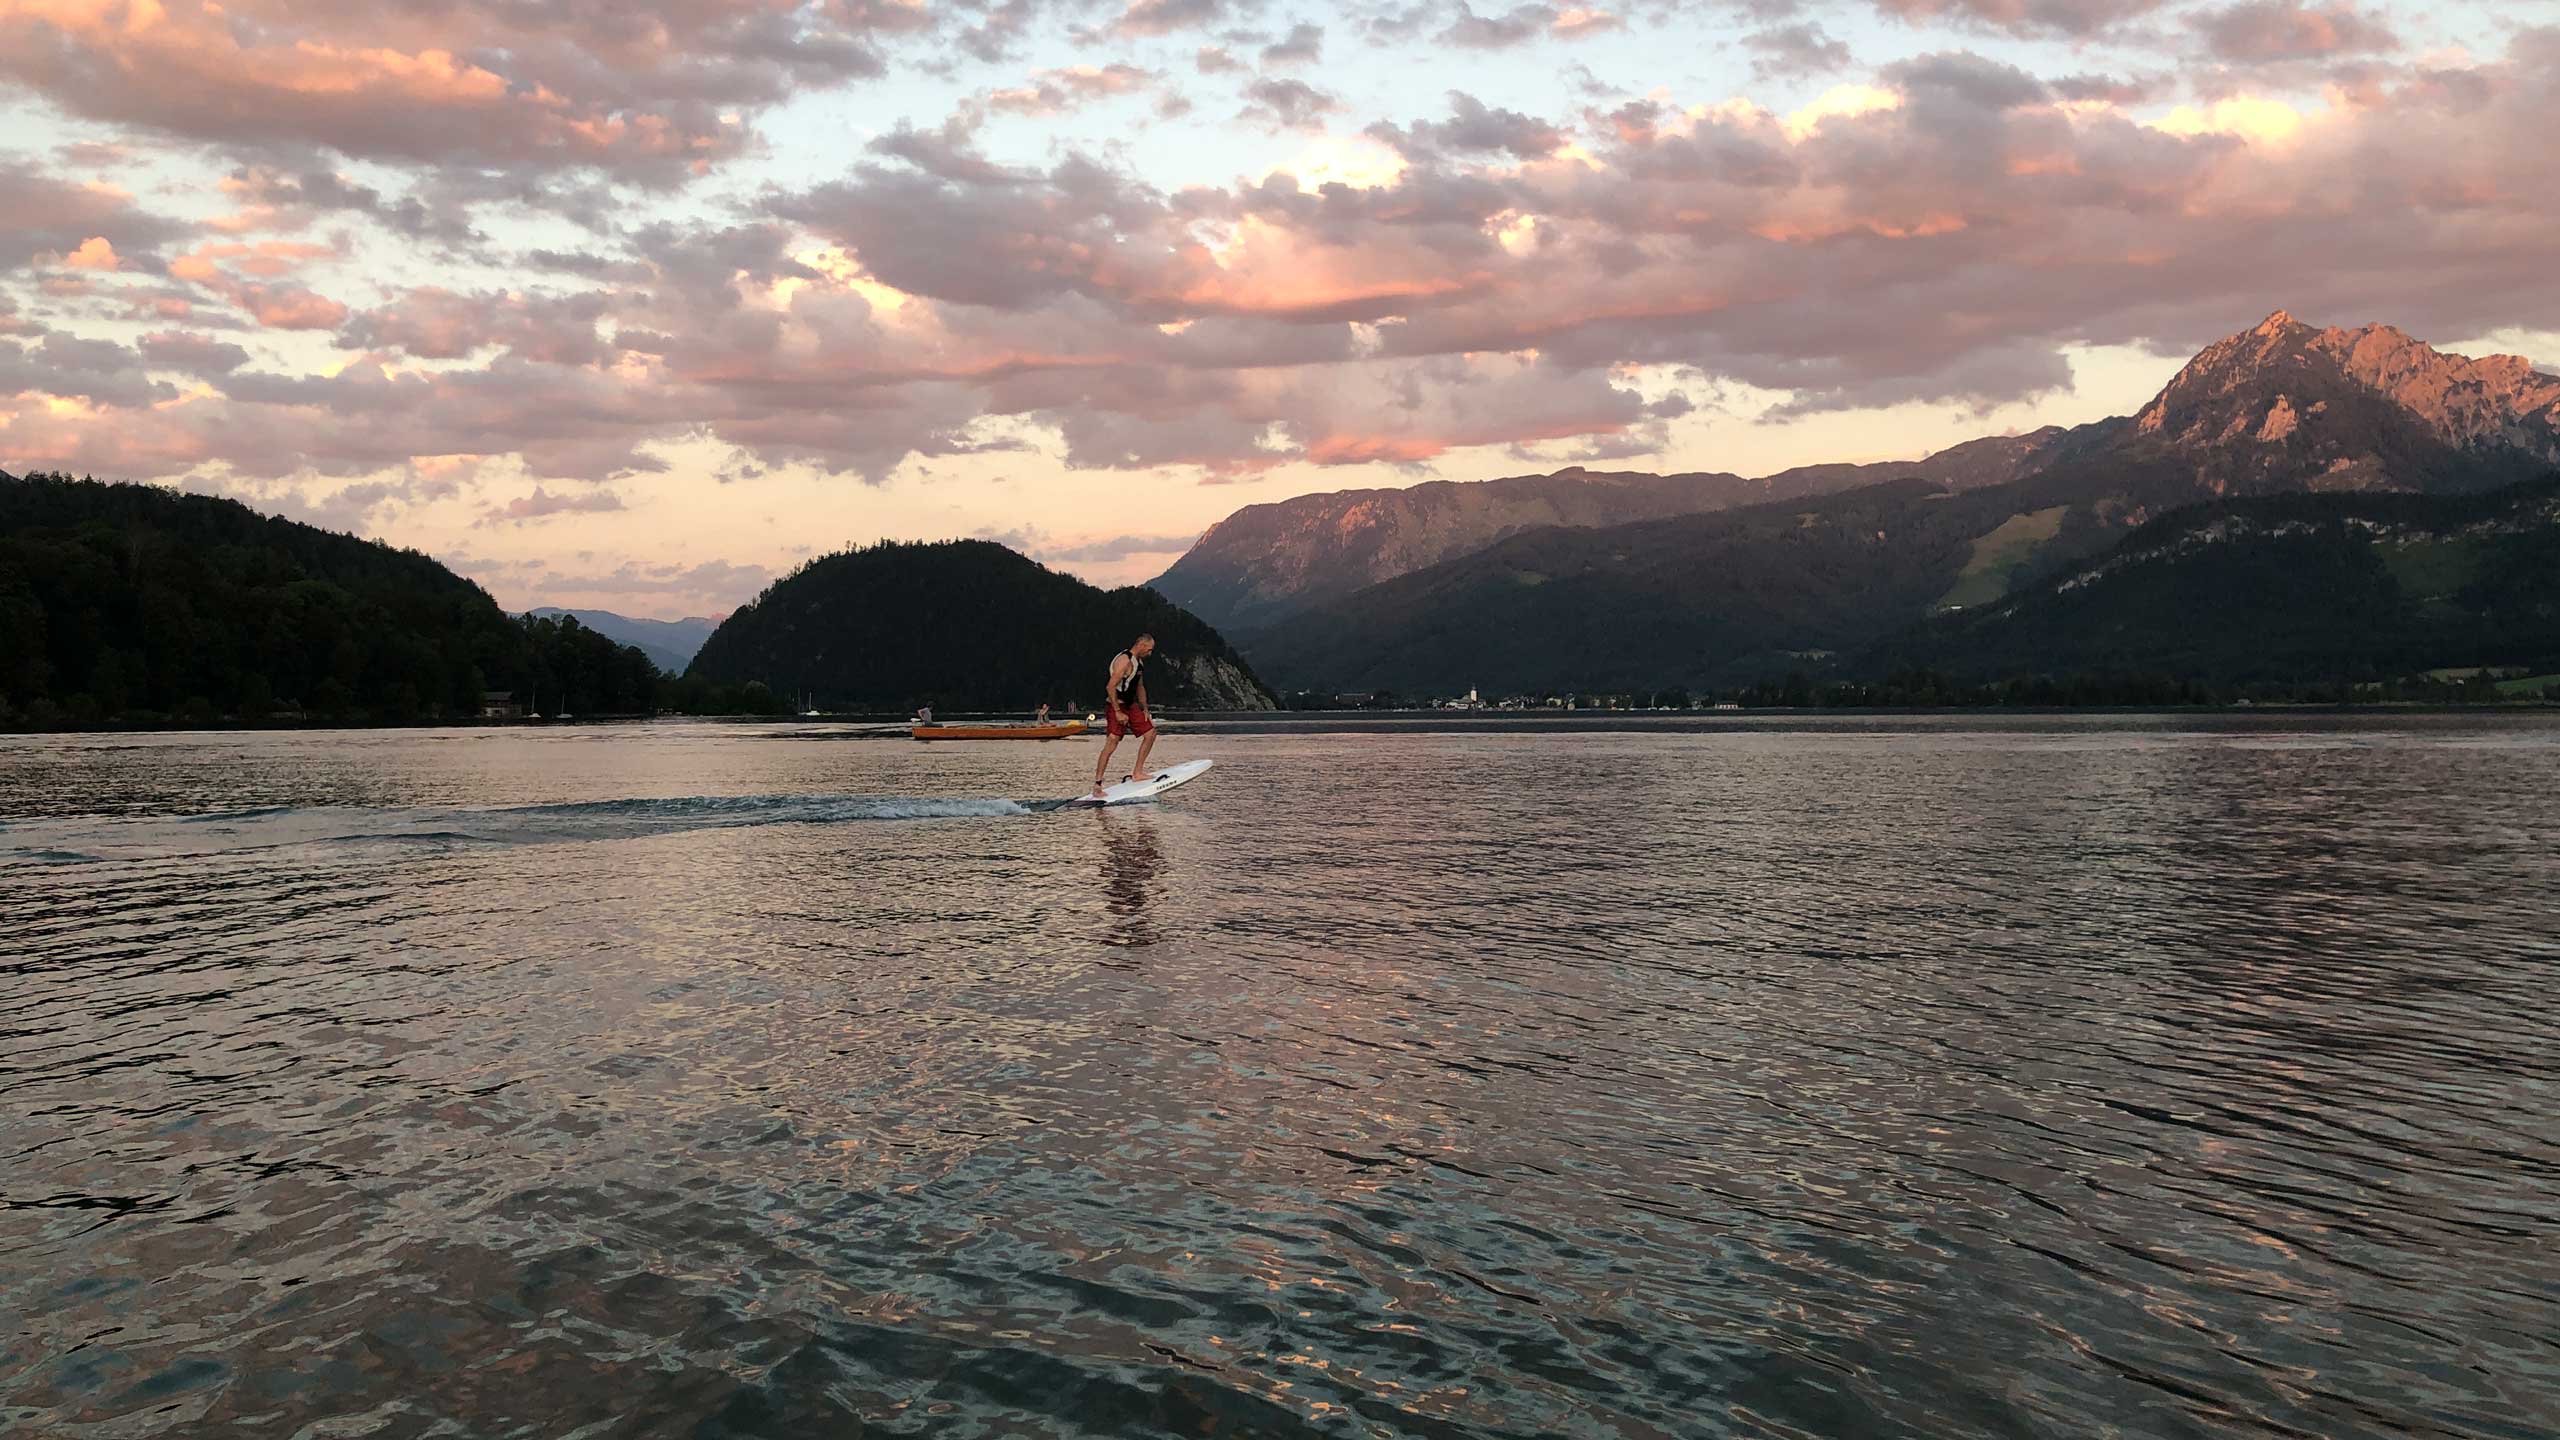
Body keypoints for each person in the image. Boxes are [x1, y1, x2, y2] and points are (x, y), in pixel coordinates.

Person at [1093, 632, 1157, 797]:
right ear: (1141, 645)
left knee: (1150, 733)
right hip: (1117, 705)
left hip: (1131, 706)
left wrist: (1145, 708)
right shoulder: (1124, 661)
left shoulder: (1139, 663)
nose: (1150, 653)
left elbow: (1140, 686)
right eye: (1149, 650)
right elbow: (1110, 686)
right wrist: (1117, 712)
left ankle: (1137, 773)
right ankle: (1097, 785)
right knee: (1112, 742)